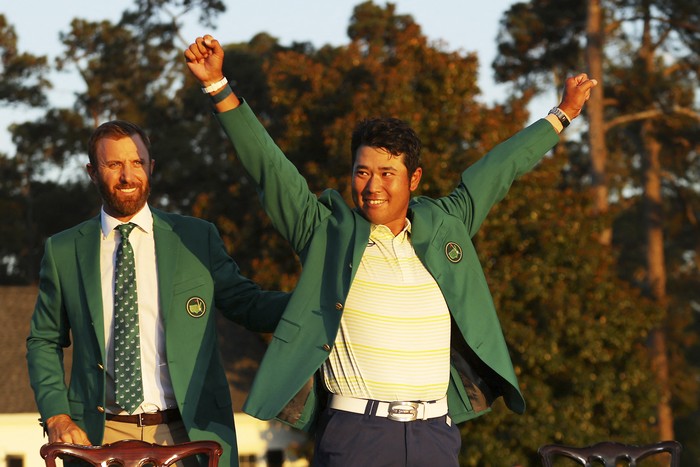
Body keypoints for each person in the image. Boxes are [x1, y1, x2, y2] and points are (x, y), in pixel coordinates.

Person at [185, 35, 598, 466]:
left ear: (414, 178)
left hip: (435, 435)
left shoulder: (445, 226)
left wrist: (562, 114)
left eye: (387, 172)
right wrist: (218, 86)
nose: (373, 186)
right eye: (362, 172)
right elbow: (268, 167)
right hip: (355, 436)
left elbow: (498, 169)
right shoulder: (324, 231)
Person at [26, 118, 289, 467]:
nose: (127, 175)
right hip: (100, 436)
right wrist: (57, 416)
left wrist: (315, 304)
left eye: (136, 163)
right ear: (92, 172)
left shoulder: (197, 237)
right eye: (114, 164)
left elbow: (248, 304)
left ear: (151, 167)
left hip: (187, 431)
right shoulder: (63, 251)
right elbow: (43, 340)